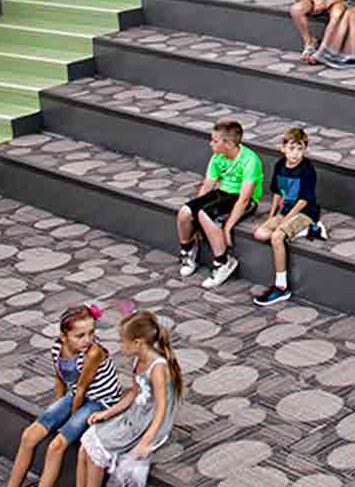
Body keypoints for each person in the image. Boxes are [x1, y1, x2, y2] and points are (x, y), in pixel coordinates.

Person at [7, 305, 130, 487]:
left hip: (100, 401)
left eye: (91, 333)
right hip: (78, 395)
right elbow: (60, 379)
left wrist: (68, 421)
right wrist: (55, 411)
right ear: (64, 337)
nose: (88, 340)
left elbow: (81, 389)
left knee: (56, 446)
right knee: (28, 436)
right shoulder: (57, 348)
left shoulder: (93, 353)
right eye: (80, 336)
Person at [76, 309, 180, 487]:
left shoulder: (157, 368)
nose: (120, 345)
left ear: (138, 343)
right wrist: (107, 413)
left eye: (122, 341)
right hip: (136, 414)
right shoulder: (138, 358)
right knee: (85, 447)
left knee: (96, 454)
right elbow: (134, 392)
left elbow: (161, 408)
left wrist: (146, 440)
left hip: (150, 421)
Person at [174, 118, 263, 287]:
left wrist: (228, 227)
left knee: (205, 215)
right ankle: (188, 249)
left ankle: (223, 262)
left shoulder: (251, 160)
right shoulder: (217, 157)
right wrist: (194, 210)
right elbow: (207, 186)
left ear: (228, 144)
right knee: (185, 212)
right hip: (222, 193)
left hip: (244, 199)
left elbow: (244, 199)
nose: (210, 144)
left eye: (215, 141)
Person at [249, 127, 321, 306]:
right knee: (260, 233)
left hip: (304, 212)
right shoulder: (280, 165)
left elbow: (304, 200)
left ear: (304, 150)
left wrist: (287, 219)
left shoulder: (307, 170)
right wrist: (272, 216)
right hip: (285, 211)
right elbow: (277, 193)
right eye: (291, 148)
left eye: (300, 149)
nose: (295, 153)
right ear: (283, 148)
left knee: (277, 236)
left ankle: (281, 287)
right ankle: (309, 231)